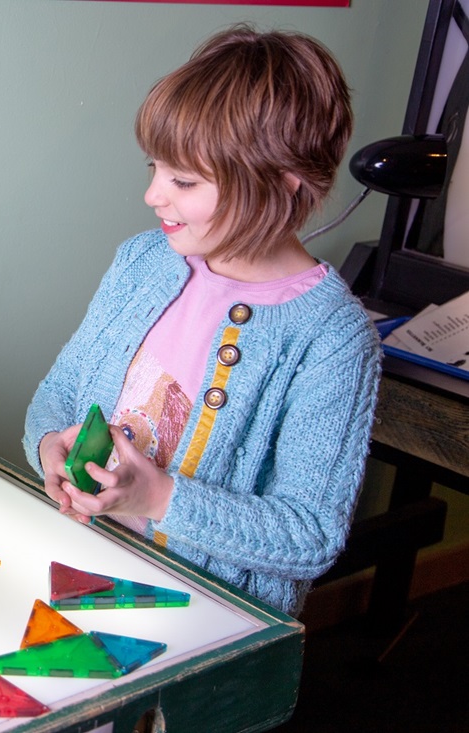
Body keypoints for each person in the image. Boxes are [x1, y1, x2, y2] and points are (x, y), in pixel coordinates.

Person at [24, 25, 381, 617]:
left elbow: (310, 533)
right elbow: (60, 393)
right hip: (76, 567)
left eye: (183, 181)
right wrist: (48, 448)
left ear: (282, 186)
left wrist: (161, 498)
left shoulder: (333, 337)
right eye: (155, 169)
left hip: (205, 616)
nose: (153, 196)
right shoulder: (142, 261)